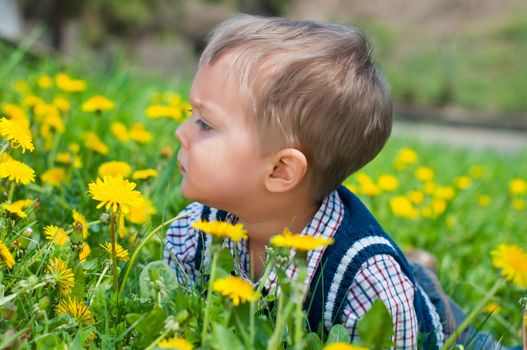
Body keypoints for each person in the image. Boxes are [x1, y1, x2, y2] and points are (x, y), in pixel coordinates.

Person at [164, 15, 513, 349]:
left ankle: (423, 282)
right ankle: (420, 270)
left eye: (205, 124)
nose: (181, 132)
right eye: (190, 115)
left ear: (281, 170)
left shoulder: (371, 290)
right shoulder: (195, 232)